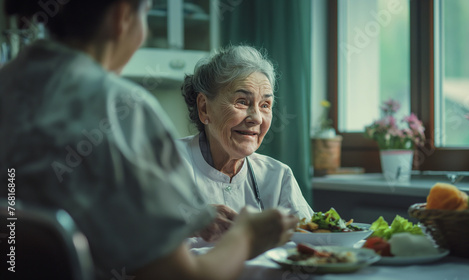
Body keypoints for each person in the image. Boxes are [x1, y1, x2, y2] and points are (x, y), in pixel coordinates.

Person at [0, 1, 298, 279]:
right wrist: (245, 236)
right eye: (146, 15)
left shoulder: (9, 84)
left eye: (265, 105)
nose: (256, 117)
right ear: (122, 16)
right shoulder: (121, 108)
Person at [178, 45, 314, 243]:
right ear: (204, 107)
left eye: (265, 105)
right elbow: (128, 233)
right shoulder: (166, 161)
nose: (257, 118)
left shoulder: (277, 176)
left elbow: (313, 240)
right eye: (242, 101)